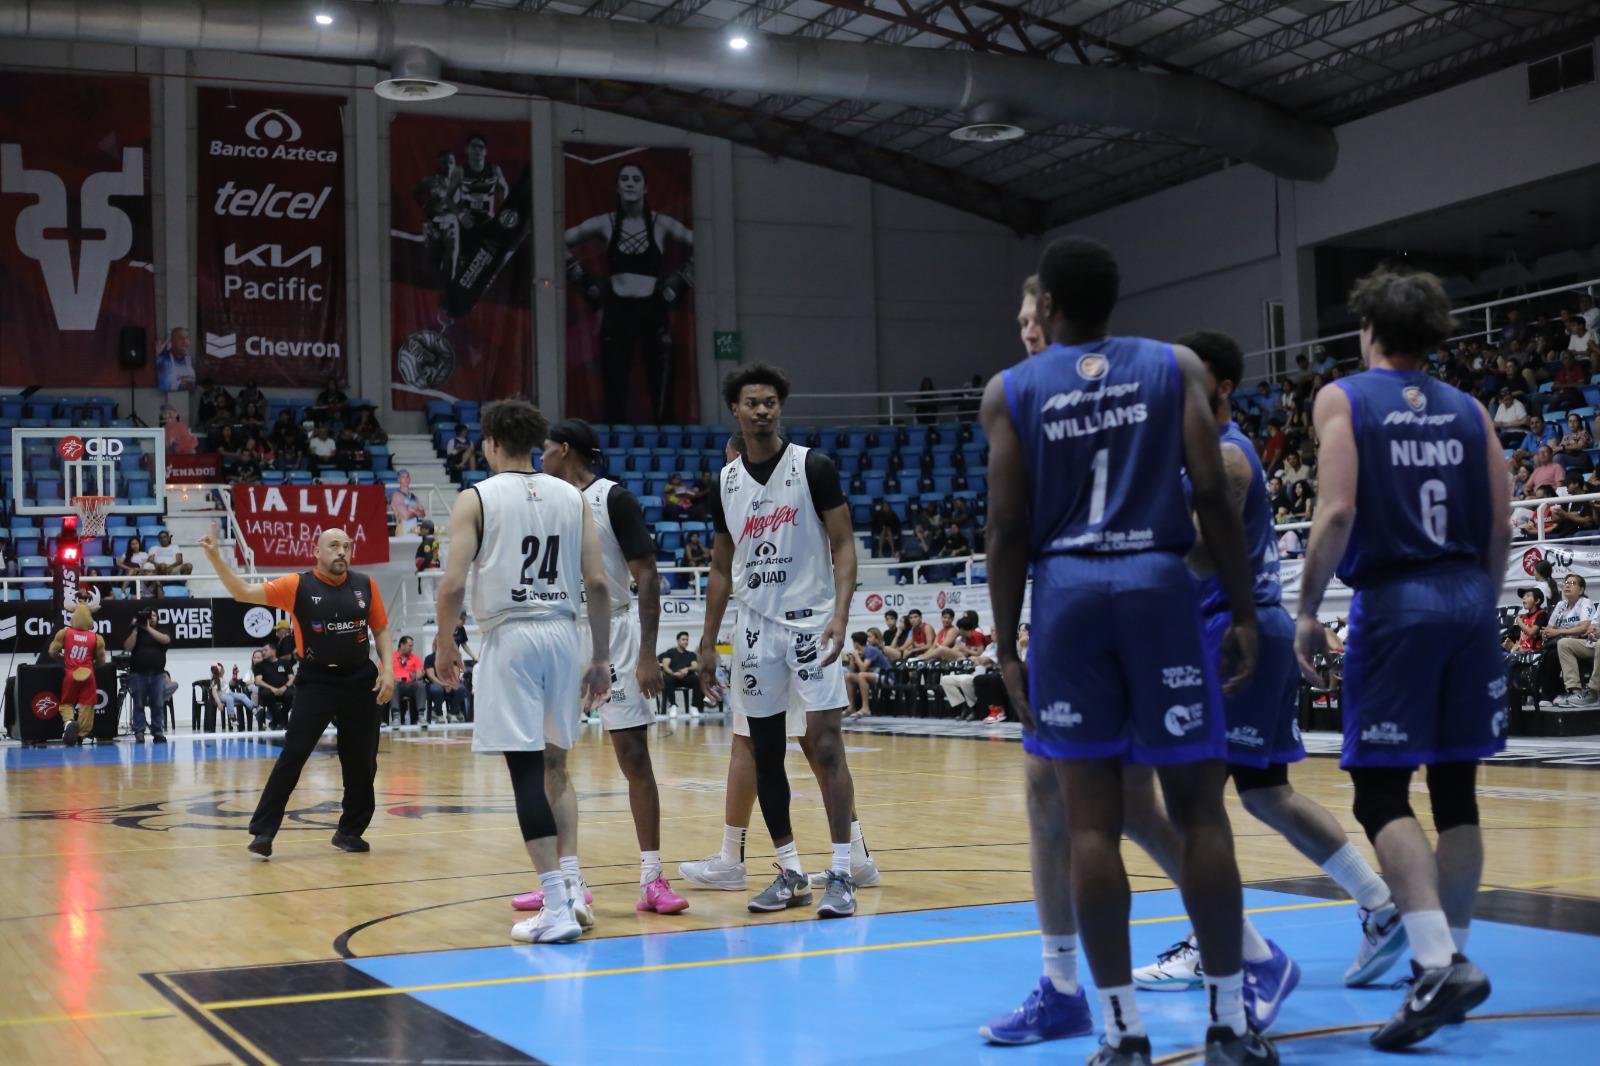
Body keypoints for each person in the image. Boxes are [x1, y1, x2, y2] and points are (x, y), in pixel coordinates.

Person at [980, 236, 1272, 1064]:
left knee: (1091, 827)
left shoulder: (1011, 390)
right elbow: (1210, 492)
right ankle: (1230, 1023)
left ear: (1048, 306)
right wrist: (1243, 611)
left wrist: (1006, 645)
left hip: (1068, 596)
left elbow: (1006, 526)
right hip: (1158, 588)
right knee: (1200, 812)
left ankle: (1120, 1031)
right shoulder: (1173, 365)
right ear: (1115, 299)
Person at [1126, 331, 1402, 1019]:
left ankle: (1216, 941)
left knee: (1194, 800)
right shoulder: (1197, 454)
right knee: (1265, 794)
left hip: (1229, 634)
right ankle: (1381, 904)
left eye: (1189, 378)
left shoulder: (1227, 454)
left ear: (1221, 388)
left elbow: (1198, 552)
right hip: (1246, 631)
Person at [1293, 268, 1509, 1050]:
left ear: (1368, 330)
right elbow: (1501, 521)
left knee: (1380, 792)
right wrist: (1478, 601)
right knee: (1457, 794)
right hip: (1470, 598)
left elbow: (1338, 510)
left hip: (1398, 600)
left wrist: (1307, 610)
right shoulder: (1471, 409)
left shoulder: (1344, 398)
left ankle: (1436, 963)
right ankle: (1450, 960)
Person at [431, 399, 612, 944]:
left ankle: (555, 905)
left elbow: (452, 585)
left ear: (490, 442)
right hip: (563, 632)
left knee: (525, 772)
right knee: (557, 766)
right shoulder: (572, 496)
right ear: (535, 443)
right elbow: (597, 583)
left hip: (511, 635)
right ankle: (573, 887)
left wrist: (445, 643)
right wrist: (600, 658)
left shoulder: (476, 498)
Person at [695, 364, 867, 919]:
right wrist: (707, 642)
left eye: (770, 402)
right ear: (736, 410)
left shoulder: (813, 466)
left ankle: (842, 871)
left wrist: (841, 615)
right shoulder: (724, 482)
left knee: (826, 744)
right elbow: (720, 567)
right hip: (753, 630)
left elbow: (844, 544)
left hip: (811, 622)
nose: (762, 410)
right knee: (766, 752)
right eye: (752, 403)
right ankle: (790, 870)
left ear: (780, 407)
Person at [512, 417, 686, 915]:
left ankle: (652, 878)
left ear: (566, 450)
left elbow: (647, 575)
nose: (540, 457)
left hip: (618, 631)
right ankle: (563, 879)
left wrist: (648, 652)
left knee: (634, 757)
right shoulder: (543, 501)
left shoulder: (614, 499)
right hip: (561, 632)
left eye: (546, 449)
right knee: (550, 758)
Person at [199, 527, 395, 859]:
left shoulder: (366, 585)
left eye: (347, 546)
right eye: (334, 546)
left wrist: (388, 670)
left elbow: (381, 629)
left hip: (359, 679)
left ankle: (349, 832)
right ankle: (263, 831)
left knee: (363, 762)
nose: (342, 552)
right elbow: (242, 591)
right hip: (316, 681)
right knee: (293, 755)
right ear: (317, 552)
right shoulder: (297, 585)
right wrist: (216, 557)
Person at [564, 163, 695, 424]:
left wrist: (682, 278)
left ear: (645, 188)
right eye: (625, 179)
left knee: (660, 376)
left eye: (636, 179)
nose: (630, 183)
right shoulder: (606, 222)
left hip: (652, 309)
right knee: (614, 377)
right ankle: (615, 434)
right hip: (617, 310)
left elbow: (702, 241)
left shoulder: (660, 223)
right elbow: (560, 239)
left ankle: (665, 434)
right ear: (618, 186)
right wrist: (580, 276)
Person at [50, 603, 105, 747]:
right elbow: (101, 661)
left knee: (67, 702)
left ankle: (69, 722)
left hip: (70, 674)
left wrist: (63, 660)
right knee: (87, 705)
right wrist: (92, 666)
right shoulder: (96, 638)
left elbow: (52, 652)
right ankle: (81, 734)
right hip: (88, 675)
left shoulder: (64, 633)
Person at [122, 608, 171, 743]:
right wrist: (136, 629)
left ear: (158, 618)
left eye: (154, 615)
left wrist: (148, 628)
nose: (152, 617)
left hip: (158, 674)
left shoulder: (162, 630)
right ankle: (139, 733)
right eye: (149, 616)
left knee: (157, 704)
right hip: (138, 674)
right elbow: (128, 647)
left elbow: (166, 640)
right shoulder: (136, 631)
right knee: (138, 704)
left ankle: (158, 732)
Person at [845, 630, 890, 719]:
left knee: (861, 675)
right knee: (848, 676)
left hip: (886, 676)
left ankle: (865, 708)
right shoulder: (859, 652)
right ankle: (851, 707)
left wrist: (857, 657)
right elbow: (851, 671)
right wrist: (853, 658)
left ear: (856, 643)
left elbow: (863, 669)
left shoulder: (871, 650)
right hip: (872, 675)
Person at [253, 641, 294, 730]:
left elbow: (291, 678)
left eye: (266, 650)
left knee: (291, 694)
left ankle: (276, 720)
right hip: (269, 691)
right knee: (266, 694)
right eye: (262, 651)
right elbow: (258, 681)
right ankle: (282, 721)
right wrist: (272, 688)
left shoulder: (285, 663)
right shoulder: (260, 665)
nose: (263, 652)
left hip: (284, 689)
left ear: (273, 651)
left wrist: (285, 687)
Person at [390, 636, 428, 726]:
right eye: (410, 646)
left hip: (411, 684)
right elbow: (382, 671)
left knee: (420, 684)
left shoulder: (415, 658)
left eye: (412, 646)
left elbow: (419, 673)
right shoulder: (391, 657)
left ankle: (421, 716)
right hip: (396, 684)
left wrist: (417, 675)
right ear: (402, 645)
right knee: (393, 684)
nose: (412, 648)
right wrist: (392, 678)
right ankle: (396, 717)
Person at [659, 631, 701, 711]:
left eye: (687, 640)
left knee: (697, 679)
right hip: (673, 677)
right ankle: (673, 705)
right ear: (678, 641)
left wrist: (687, 669)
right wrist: (674, 673)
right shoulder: (670, 652)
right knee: (667, 679)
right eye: (683, 639)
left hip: (686, 678)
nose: (686, 642)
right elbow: (665, 666)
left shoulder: (691, 654)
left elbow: (695, 666)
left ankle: (694, 706)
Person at [155, 326, 196, 393]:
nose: (185, 341)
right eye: (180, 338)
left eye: (187, 338)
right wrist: (156, 356)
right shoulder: (163, 359)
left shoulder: (191, 360)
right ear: (172, 341)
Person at [390, 470, 428, 535]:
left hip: (414, 532)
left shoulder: (414, 496)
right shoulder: (396, 495)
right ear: (398, 480)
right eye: (403, 477)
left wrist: (413, 510)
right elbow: (406, 516)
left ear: (410, 479)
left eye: (407, 477)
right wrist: (416, 511)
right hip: (402, 532)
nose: (406, 479)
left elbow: (423, 514)